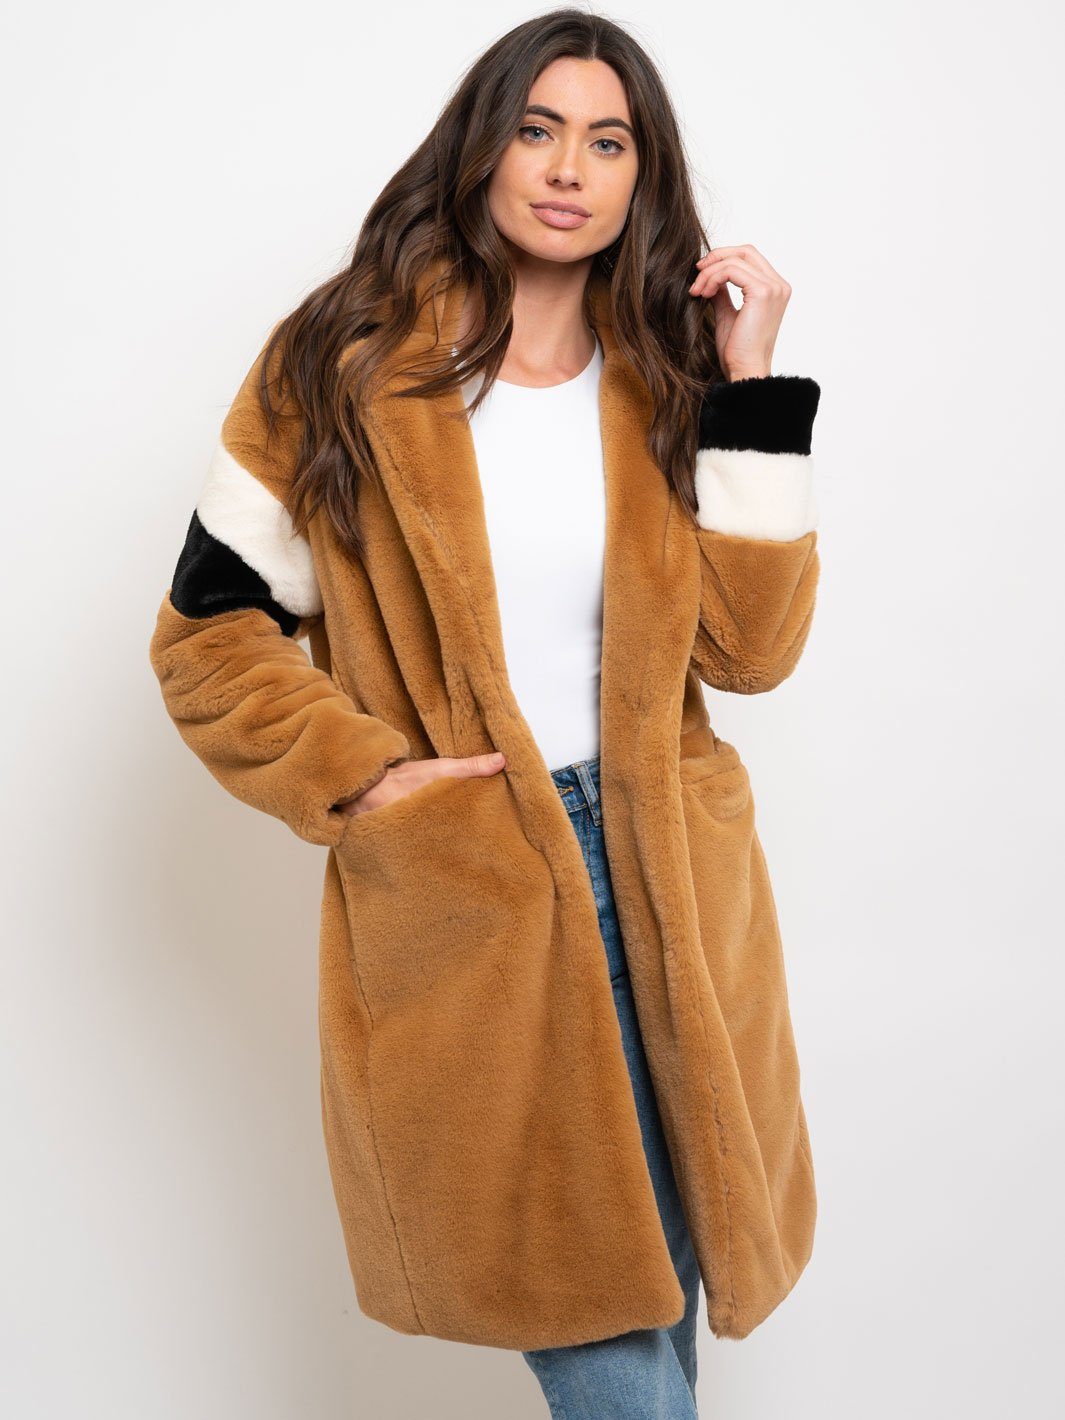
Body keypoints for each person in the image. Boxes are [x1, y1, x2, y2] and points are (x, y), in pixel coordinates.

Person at [149, 10, 822, 1418]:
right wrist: (367, 779)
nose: (568, 169)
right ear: (482, 147)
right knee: (603, 1335)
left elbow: (749, 655)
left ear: (643, 176)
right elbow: (208, 633)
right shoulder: (339, 363)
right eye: (536, 130)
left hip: (670, 880)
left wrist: (750, 385)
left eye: (607, 142)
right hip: (474, 881)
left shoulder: (669, 376)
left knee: (665, 1286)